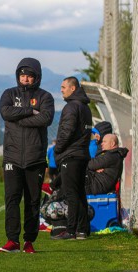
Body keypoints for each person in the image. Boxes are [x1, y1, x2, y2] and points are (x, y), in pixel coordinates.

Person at [0, 57, 55, 253]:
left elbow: (46, 118)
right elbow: (6, 112)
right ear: (18, 76)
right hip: (12, 158)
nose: (25, 79)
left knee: (32, 201)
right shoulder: (8, 94)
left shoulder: (46, 97)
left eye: (29, 76)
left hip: (35, 158)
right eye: (22, 75)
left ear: (36, 77)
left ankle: (29, 241)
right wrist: (31, 111)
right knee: (12, 199)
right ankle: (12, 241)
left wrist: (19, 119)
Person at [52, 76, 92, 240]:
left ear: (73, 88)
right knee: (80, 194)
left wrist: (58, 149)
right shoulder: (85, 107)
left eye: (63, 87)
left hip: (71, 156)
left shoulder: (71, 107)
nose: (61, 90)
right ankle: (82, 230)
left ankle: (71, 231)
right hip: (82, 155)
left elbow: (66, 132)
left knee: (71, 194)